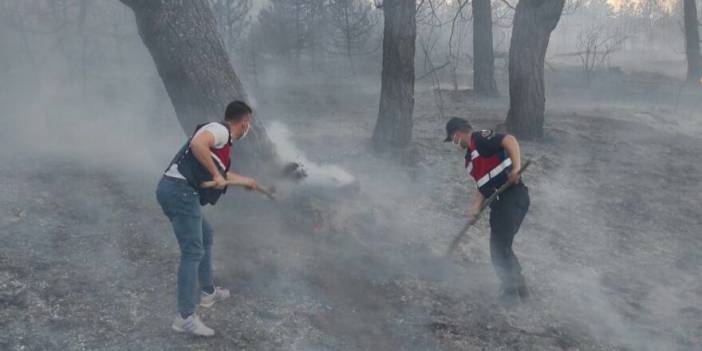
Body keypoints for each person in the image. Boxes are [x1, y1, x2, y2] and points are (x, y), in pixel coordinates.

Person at [156, 100, 258, 336]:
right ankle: (184, 317)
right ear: (244, 123)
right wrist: (214, 174)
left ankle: (208, 291)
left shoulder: (222, 142)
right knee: (192, 251)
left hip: (179, 191)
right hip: (179, 191)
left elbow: (221, 172)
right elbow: (197, 144)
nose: (248, 128)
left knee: (206, 235)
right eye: (249, 124)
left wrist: (246, 181)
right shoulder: (219, 130)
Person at [444, 117, 530, 304]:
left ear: (458, 132)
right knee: (501, 247)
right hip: (499, 204)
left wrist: (516, 168)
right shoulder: (470, 159)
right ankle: (520, 289)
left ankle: (511, 292)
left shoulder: (480, 139)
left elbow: (510, 140)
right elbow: (482, 186)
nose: (453, 143)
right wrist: (475, 207)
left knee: (499, 248)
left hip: (513, 196)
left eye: (452, 138)